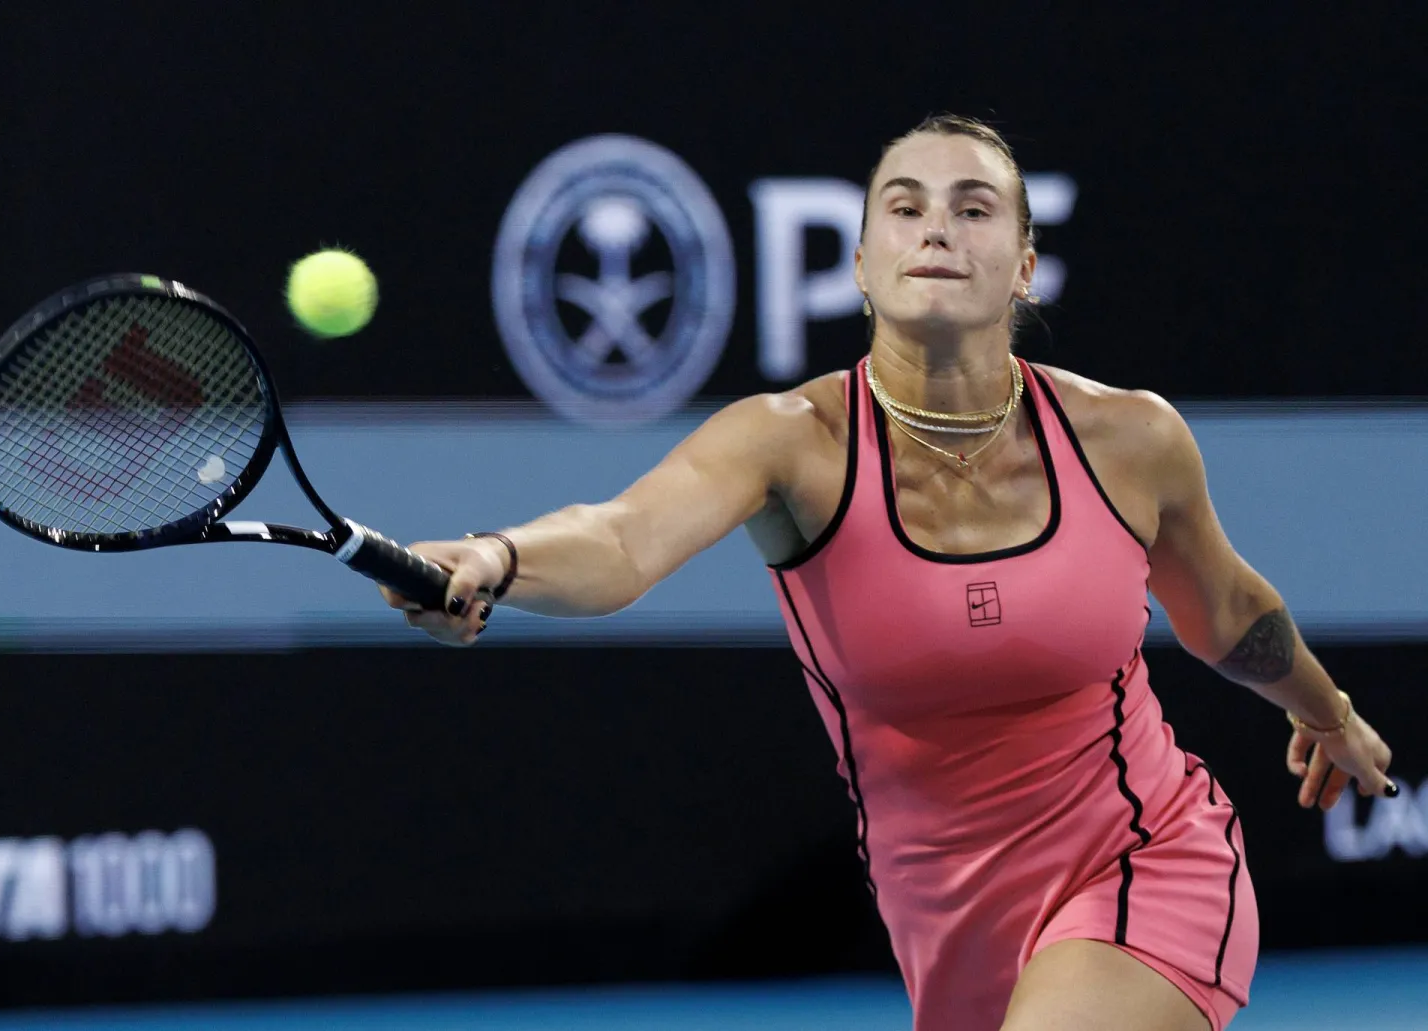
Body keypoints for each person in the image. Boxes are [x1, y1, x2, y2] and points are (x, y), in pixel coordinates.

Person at [380, 115, 1398, 1031]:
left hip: (1145, 862)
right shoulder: (795, 443)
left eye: (974, 206)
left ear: (1027, 264)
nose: (937, 229)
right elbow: (621, 538)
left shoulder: (1129, 437)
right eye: (904, 207)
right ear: (862, 263)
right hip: (953, 931)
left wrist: (1327, 709)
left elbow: (1226, 608)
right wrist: (499, 556)